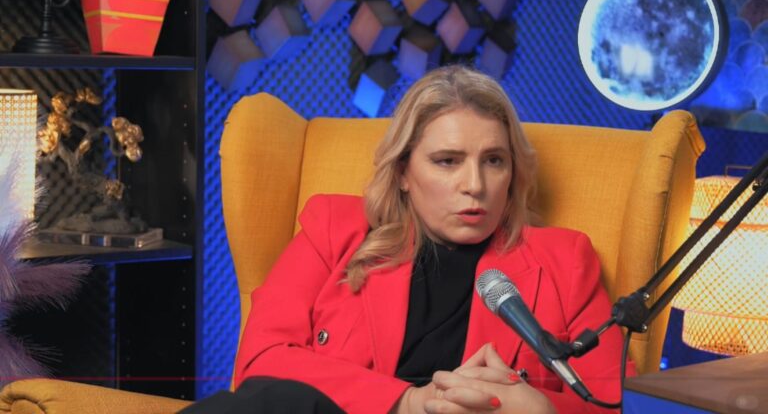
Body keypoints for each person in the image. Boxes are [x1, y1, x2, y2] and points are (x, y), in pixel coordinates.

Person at [184, 65, 632, 414]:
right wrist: (405, 402)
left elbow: (619, 406)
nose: (475, 185)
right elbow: (261, 361)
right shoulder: (333, 229)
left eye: (494, 160)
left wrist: (545, 410)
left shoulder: (565, 261)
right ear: (402, 172)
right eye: (447, 161)